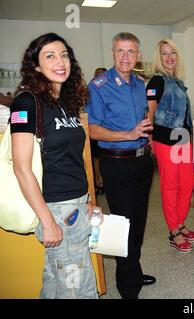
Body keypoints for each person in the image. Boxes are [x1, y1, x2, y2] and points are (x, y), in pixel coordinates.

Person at [10, 33, 99, 298]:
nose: (60, 62)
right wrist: (48, 222)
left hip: (76, 204)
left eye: (64, 55)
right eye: (49, 56)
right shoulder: (26, 102)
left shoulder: (66, 103)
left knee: (53, 279)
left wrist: (88, 201)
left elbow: (75, 159)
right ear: (36, 66)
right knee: (78, 287)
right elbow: (21, 167)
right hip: (56, 208)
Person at [86, 32, 155, 299]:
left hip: (142, 162)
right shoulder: (99, 86)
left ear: (138, 55)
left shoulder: (140, 84)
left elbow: (143, 119)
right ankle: (127, 286)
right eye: (120, 51)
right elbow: (93, 130)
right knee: (123, 224)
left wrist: (144, 132)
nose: (126, 57)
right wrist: (128, 134)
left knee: (138, 222)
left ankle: (133, 272)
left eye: (131, 51)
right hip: (117, 164)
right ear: (112, 53)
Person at [145, 38, 194, 253]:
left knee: (187, 184)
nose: (169, 57)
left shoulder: (176, 80)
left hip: (183, 140)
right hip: (165, 141)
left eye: (172, 53)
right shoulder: (157, 81)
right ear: (159, 58)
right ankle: (173, 230)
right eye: (164, 54)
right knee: (170, 186)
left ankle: (180, 223)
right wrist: (148, 139)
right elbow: (148, 113)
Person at [90, 67, 107, 196]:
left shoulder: (111, 90)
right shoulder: (91, 90)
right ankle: (98, 181)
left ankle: (104, 181)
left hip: (108, 130)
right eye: (97, 76)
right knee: (96, 156)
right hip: (95, 129)